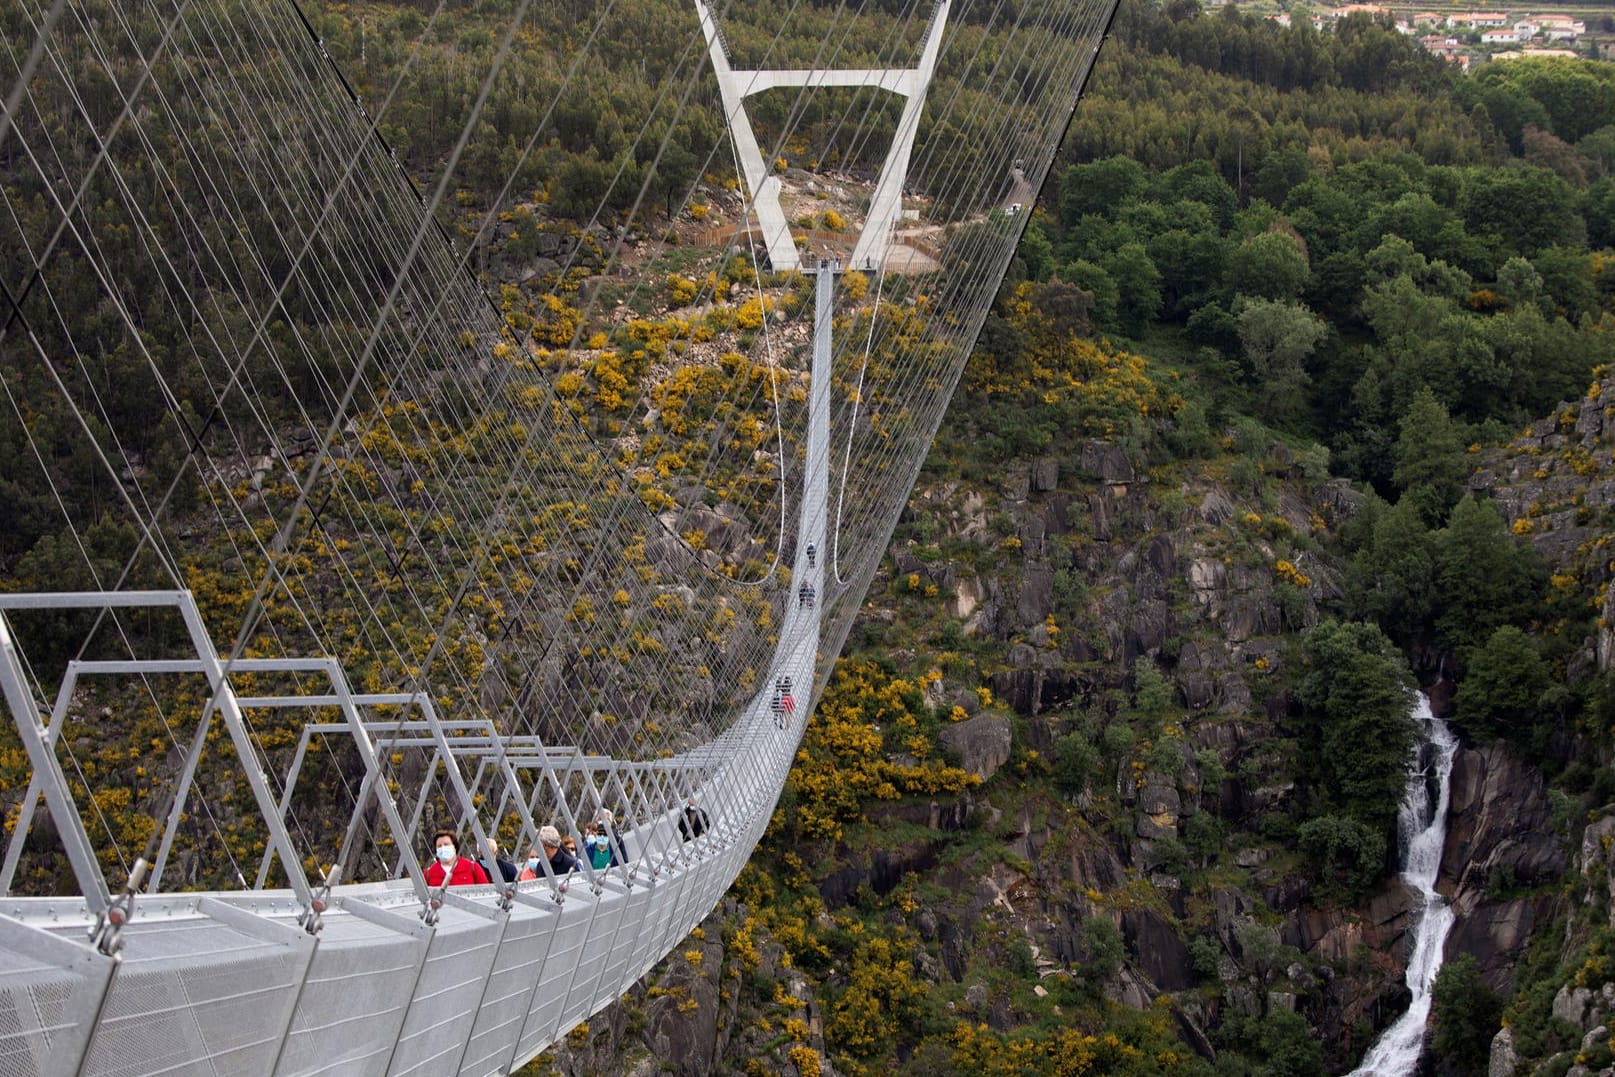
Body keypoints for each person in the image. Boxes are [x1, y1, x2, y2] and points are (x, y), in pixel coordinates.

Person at [425, 829, 490, 887]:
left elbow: (487, 892)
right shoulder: (429, 873)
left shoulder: (472, 867)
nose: (443, 848)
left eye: (446, 844)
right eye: (439, 846)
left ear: (455, 847)